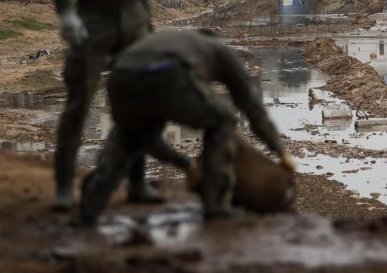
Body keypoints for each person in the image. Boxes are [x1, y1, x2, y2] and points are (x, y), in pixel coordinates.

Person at [77, 30, 294, 225]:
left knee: (128, 135)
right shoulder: (221, 51)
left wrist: (187, 164)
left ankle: (89, 210)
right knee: (224, 119)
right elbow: (250, 104)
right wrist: (279, 150)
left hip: (121, 75)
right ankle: (216, 206)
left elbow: (150, 142)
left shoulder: (178, 40)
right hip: (169, 73)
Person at [45, 0, 169, 210]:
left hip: (134, 22)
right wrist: (65, 13)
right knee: (79, 102)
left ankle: (138, 184)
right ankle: (62, 189)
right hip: (93, 20)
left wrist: (147, 25)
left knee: (139, 103)